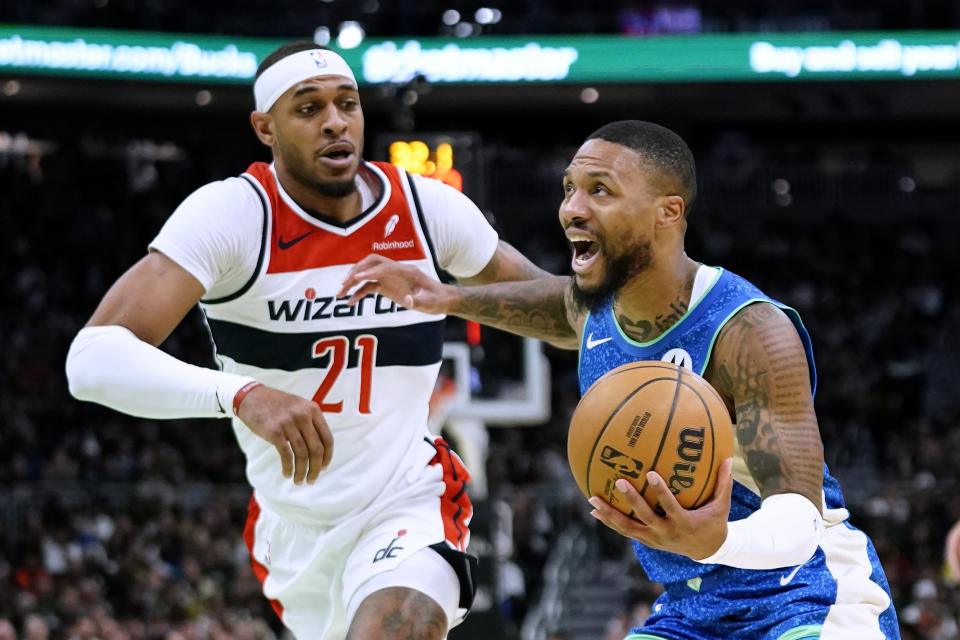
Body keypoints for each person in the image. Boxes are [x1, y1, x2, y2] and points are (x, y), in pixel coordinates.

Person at [65, 41, 564, 640]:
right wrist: (244, 394)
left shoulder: (427, 211)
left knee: (399, 624)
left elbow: (562, 316)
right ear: (265, 128)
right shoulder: (234, 215)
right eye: (308, 108)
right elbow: (90, 360)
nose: (334, 121)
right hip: (294, 530)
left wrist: (455, 297)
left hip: (409, 497)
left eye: (347, 104)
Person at [338, 120, 901, 639]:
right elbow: (558, 306)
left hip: (809, 596)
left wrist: (716, 539)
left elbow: (801, 519)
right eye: (568, 189)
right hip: (691, 609)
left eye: (599, 191)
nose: (571, 209)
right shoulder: (596, 312)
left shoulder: (750, 331)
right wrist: (445, 296)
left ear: (668, 212)